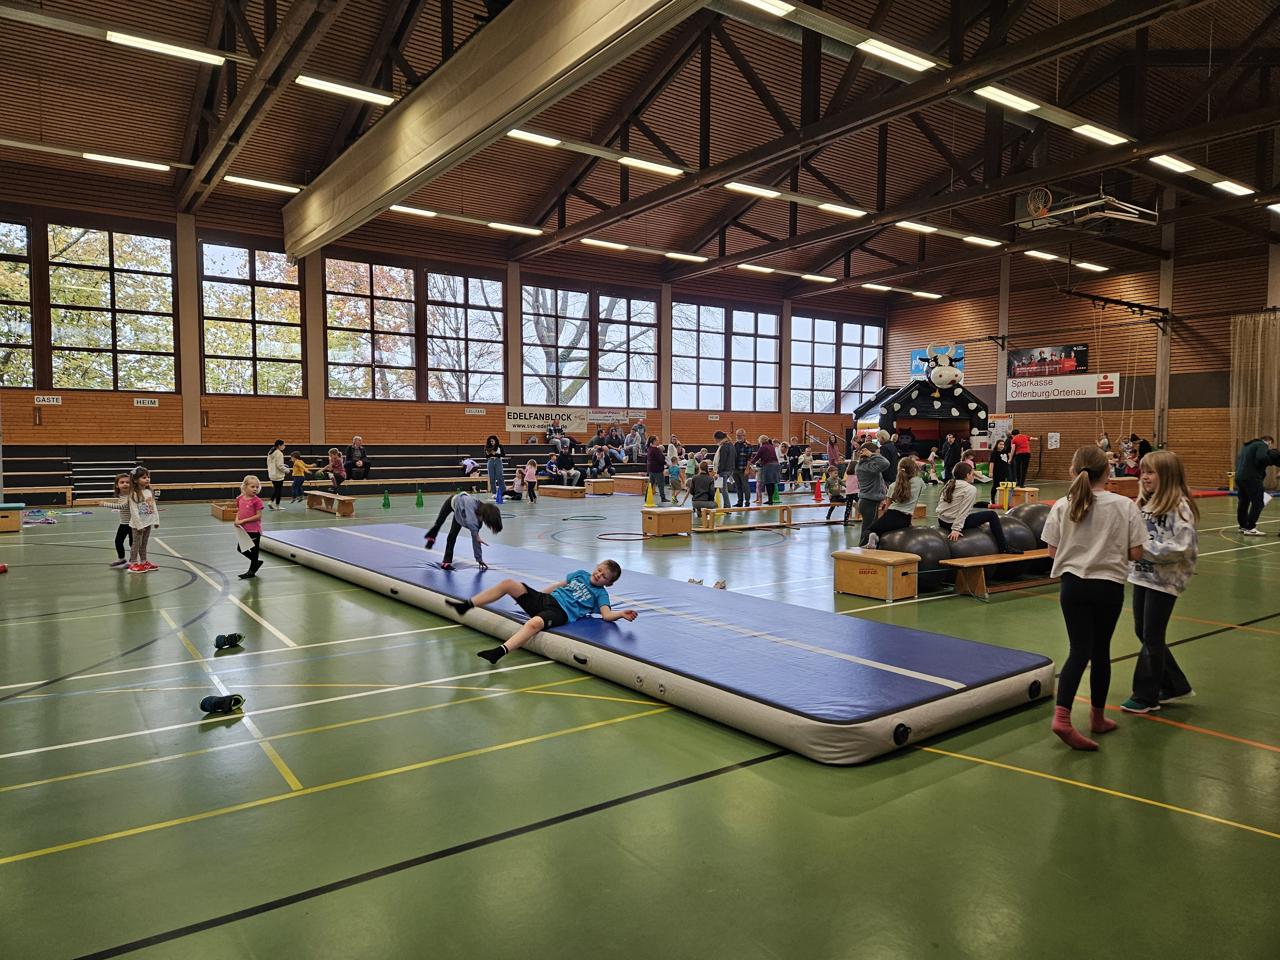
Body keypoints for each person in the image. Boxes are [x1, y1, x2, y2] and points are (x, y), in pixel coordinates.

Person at [1041, 445, 1146, 750]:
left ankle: (1064, 716)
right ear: (1108, 472)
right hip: (1107, 586)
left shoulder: (1063, 504)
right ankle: (1096, 717)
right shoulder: (1124, 506)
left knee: (1078, 650)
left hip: (1073, 586)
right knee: (1100, 651)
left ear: (1073, 471)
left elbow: (1052, 551)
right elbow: (1136, 552)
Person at [1124, 450, 1199, 713]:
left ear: (1167, 476)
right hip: (1143, 576)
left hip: (1166, 580)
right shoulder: (1145, 504)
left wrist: (1143, 549)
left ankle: (1146, 696)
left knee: (1152, 635)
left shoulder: (1179, 507)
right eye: (1143, 471)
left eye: (1151, 472)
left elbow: (1183, 547)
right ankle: (1175, 684)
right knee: (1142, 631)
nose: (1144, 477)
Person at [450, 561, 638, 664]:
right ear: (596, 567)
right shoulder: (581, 574)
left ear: (608, 583)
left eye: (604, 576)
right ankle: (466, 605)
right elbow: (558, 585)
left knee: (534, 623)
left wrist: (621, 613)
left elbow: (606, 615)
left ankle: (499, 652)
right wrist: (535, 596)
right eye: (599, 570)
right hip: (545, 600)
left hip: (561, 613)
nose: (598, 575)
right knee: (509, 584)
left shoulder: (601, 594)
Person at [937, 462, 1021, 554]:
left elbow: (941, 505)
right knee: (992, 515)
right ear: (967, 475)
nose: (973, 476)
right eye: (972, 474)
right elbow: (963, 510)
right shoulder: (970, 489)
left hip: (942, 521)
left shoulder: (949, 484)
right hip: (951, 523)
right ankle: (1004, 547)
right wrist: (956, 529)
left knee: (974, 516)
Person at [424, 491, 503, 571]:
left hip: (460, 515)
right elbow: (470, 520)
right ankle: (431, 537)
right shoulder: (469, 502)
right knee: (439, 523)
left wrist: (479, 559)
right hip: (452, 502)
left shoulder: (477, 523)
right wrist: (476, 534)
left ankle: (446, 562)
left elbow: (476, 539)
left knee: (452, 535)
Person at [865, 458, 923, 549]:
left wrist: (884, 518)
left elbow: (887, 507)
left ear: (898, 469)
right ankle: (875, 538)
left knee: (872, 530)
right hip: (905, 519)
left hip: (892, 514)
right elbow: (915, 503)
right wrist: (910, 521)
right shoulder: (919, 482)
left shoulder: (893, 486)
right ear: (913, 469)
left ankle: (874, 537)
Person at [1235, 434, 1277, 535]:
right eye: (1269, 445)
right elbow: (1261, 457)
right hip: (1252, 478)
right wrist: (1270, 461)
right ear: (1268, 442)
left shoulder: (1246, 447)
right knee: (1258, 503)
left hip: (1240, 477)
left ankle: (1243, 526)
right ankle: (1250, 527)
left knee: (1243, 502)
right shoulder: (1262, 445)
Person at [854, 442, 889, 547]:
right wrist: (872, 454)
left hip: (868, 501)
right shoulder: (866, 467)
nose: (879, 456)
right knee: (868, 528)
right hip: (869, 502)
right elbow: (885, 463)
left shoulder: (867, 465)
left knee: (868, 527)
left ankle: (864, 548)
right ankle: (862, 548)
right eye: (878, 453)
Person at [126, 467, 159, 574]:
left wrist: (156, 520)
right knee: (136, 544)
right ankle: (133, 563)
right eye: (144, 477)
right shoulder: (134, 494)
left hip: (148, 523)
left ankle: (144, 562)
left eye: (148, 477)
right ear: (135, 480)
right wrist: (139, 525)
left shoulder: (149, 491)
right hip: (138, 525)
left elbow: (153, 506)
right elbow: (134, 511)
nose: (147, 479)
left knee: (144, 544)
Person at [96, 472, 133, 568]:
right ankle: (121, 558)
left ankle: (133, 561)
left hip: (133, 524)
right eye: (122, 482)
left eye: (127, 482)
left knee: (132, 543)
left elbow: (122, 506)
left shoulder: (131, 495)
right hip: (124, 523)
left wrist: (105, 504)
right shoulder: (121, 495)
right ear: (117, 485)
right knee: (118, 541)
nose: (125, 484)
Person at [234, 475, 265, 580]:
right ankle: (256, 562)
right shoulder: (240, 498)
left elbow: (258, 516)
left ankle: (251, 571)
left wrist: (243, 521)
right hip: (244, 530)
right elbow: (239, 510)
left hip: (254, 530)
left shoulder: (257, 501)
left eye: (257, 487)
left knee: (254, 551)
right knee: (241, 548)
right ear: (245, 487)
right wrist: (236, 520)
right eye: (252, 487)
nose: (255, 489)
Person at [749, 435, 781, 505]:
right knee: (772, 483)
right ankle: (770, 499)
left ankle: (770, 500)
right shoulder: (771, 446)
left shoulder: (763, 447)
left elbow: (757, 457)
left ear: (761, 440)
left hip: (768, 466)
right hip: (776, 465)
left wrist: (750, 463)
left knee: (768, 483)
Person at [732, 429, 752, 507]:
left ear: (744, 435)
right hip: (735, 469)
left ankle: (747, 502)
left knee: (745, 486)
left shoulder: (748, 445)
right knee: (738, 486)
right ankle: (739, 502)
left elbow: (749, 458)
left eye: (740, 435)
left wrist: (747, 469)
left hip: (743, 469)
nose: (738, 437)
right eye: (737, 435)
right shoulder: (735, 444)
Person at [645, 435, 669, 503]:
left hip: (651, 469)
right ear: (654, 441)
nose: (658, 441)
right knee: (661, 483)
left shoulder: (649, 449)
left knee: (650, 484)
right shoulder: (655, 450)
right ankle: (663, 498)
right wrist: (666, 463)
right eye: (657, 440)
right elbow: (660, 460)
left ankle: (646, 497)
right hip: (657, 469)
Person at [266, 439, 287, 510]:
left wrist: (283, 465)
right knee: (279, 490)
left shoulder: (270, 452)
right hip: (278, 475)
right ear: (279, 445)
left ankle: (271, 502)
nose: (284, 446)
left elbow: (272, 463)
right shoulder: (279, 453)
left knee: (276, 489)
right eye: (283, 445)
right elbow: (279, 466)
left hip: (272, 474)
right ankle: (277, 505)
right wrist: (286, 470)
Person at [482, 435, 505, 499]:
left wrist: (496, 454)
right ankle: (494, 493)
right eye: (490, 441)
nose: (491, 442)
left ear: (495, 441)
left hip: (498, 461)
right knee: (491, 477)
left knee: (500, 476)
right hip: (490, 461)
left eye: (492, 441)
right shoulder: (487, 447)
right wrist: (489, 454)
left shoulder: (500, 446)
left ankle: (503, 492)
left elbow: (503, 454)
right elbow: (486, 456)